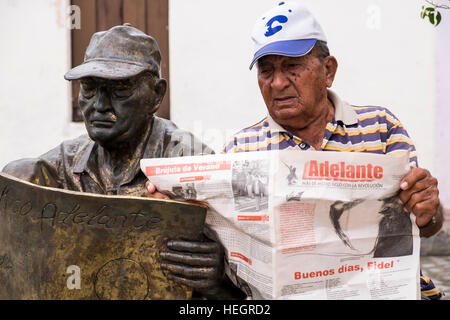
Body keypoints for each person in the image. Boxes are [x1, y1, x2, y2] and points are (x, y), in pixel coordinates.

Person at [147, 2, 444, 300]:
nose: (277, 83)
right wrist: (172, 213)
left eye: (292, 67)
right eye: (266, 70)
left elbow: (427, 226)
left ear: (328, 71)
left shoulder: (381, 128)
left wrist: (428, 210)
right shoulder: (241, 149)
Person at [2, 25, 241, 299]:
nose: (100, 105)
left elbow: (239, 296)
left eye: (120, 90)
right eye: (90, 89)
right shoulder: (61, 166)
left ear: (156, 95)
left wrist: (217, 279)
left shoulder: (192, 163)